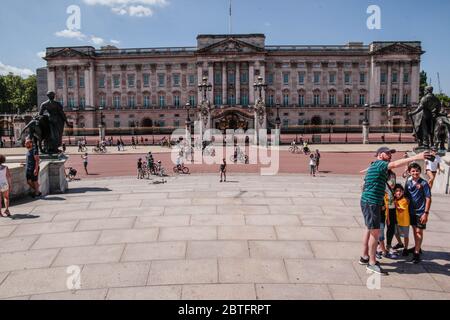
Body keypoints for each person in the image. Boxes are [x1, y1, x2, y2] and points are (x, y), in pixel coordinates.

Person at [359, 147, 428, 275]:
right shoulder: (380, 164)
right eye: (388, 153)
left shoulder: (376, 164)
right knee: (375, 232)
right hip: (372, 202)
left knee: (369, 229)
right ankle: (372, 263)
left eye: (391, 153)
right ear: (380, 155)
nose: (390, 155)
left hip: (370, 201)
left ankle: (364, 257)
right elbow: (396, 164)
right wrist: (417, 157)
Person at [405, 162, 432, 264]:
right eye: (413, 171)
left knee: (418, 232)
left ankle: (416, 253)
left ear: (420, 171)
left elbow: (428, 198)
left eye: (417, 171)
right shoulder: (408, 182)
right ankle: (418, 247)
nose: (415, 173)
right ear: (409, 172)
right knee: (414, 230)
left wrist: (426, 213)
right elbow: (406, 196)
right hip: (411, 211)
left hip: (421, 212)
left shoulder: (424, 183)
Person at [393, 184, 411, 257]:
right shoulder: (395, 200)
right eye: (396, 191)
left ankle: (406, 248)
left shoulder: (404, 200)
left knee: (405, 236)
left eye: (400, 191)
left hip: (404, 221)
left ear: (403, 192)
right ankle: (400, 244)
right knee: (396, 233)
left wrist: (395, 203)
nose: (398, 193)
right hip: (396, 221)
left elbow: (400, 210)